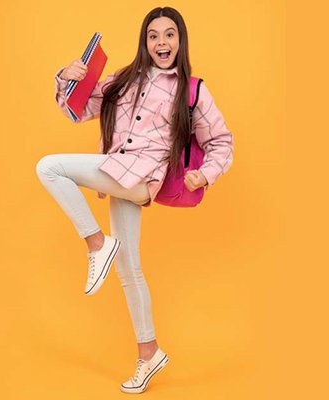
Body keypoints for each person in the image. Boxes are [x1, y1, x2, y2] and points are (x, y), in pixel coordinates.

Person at [36, 6, 233, 394]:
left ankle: (97, 244)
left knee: (49, 167)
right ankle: (149, 353)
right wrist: (67, 78)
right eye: (153, 36)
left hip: (142, 178)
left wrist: (205, 174)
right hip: (117, 175)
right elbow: (79, 110)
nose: (162, 42)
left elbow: (221, 142)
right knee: (129, 271)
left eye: (169, 34)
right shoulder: (122, 80)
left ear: (180, 40)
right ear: (145, 42)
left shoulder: (192, 90)